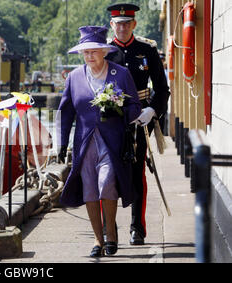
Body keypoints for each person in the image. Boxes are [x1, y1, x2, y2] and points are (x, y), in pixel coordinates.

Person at [56, 26, 141, 257]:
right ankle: (97, 240)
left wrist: (120, 110)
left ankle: (110, 232)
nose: (89, 55)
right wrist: (62, 144)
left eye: (94, 51)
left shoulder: (120, 74)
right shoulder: (74, 77)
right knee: (90, 190)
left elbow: (135, 107)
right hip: (85, 143)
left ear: (104, 51)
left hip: (112, 142)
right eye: (85, 52)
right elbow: (66, 113)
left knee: (106, 183)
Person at [106, 3, 171, 245]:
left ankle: (138, 228)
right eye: (118, 23)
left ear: (133, 24)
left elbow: (162, 88)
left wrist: (152, 110)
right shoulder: (105, 51)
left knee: (137, 174)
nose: (122, 27)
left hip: (140, 119)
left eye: (127, 23)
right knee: (108, 174)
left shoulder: (147, 49)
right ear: (112, 25)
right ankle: (108, 229)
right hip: (111, 120)